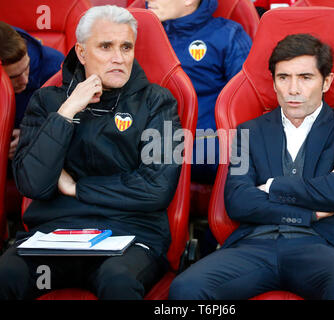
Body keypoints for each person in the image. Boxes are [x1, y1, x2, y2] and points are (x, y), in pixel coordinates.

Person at [169, 33, 334, 300]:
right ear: (274, 82)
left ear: (326, 82)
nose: (293, 89)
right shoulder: (249, 131)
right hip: (257, 245)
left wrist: (271, 186)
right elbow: (238, 200)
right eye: (283, 78)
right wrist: (310, 212)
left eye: (305, 77)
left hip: (326, 246)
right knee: (186, 288)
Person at [0, 5, 182, 300]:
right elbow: (33, 183)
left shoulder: (157, 103)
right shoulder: (48, 101)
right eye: (106, 47)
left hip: (129, 235)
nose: (118, 58)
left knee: (118, 282)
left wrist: (77, 188)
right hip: (54, 236)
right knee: (5, 275)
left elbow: (156, 189)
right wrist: (67, 111)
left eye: (126, 47)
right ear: (82, 53)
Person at [146, 0, 252, 184]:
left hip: (206, 145)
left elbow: (246, 100)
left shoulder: (228, 35)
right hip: (151, 140)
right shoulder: (139, 34)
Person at [0, 21, 64, 159]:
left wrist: (30, 136)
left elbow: (72, 125)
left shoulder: (56, 69)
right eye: (14, 77)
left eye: (27, 67)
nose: (25, 80)